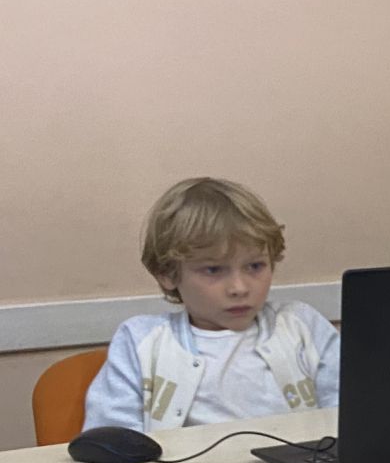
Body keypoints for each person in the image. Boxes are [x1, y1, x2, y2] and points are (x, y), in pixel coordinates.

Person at [83, 178, 339, 433]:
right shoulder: (141, 341)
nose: (239, 288)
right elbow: (111, 439)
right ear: (167, 273)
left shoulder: (302, 326)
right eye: (214, 270)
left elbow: (348, 416)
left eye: (255, 266)